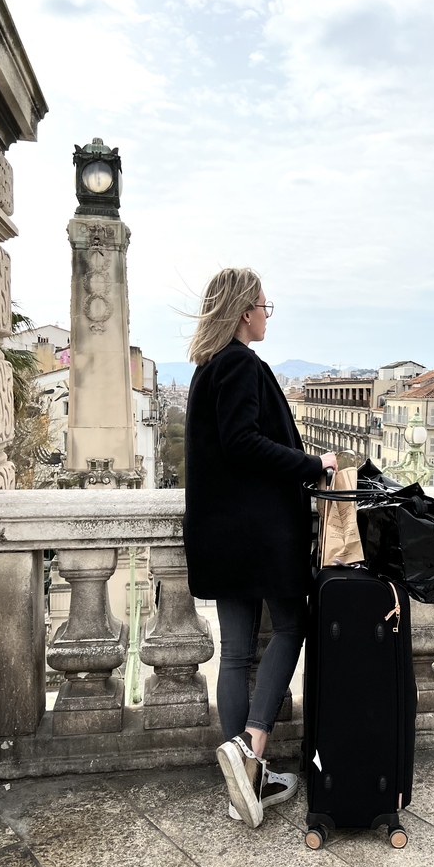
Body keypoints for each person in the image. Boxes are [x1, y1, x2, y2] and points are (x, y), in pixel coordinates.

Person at [183, 267, 337, 829]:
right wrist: (312, 463)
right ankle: (251, 752)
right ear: (245, 311)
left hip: (220, 534)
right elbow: (243, 442)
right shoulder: (240, 364)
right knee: (292, 626)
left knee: (237, 653)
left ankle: (242, 783)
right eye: (265, 307)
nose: (267, 316)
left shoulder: (207, 367)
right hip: (259, 534)